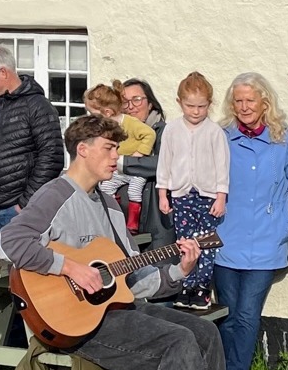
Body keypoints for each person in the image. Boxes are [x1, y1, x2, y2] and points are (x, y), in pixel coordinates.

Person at [0, 116, 259, 370]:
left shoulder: (110, 205)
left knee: (204, 333)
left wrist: (179, 271)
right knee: (176, 342)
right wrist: (69, 267)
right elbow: (9, 243)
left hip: (117, 309)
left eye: (117, 148)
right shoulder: (56, 194)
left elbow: (133, 281)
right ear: (82, 149)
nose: (116, 157)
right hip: (73, 322)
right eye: (109, 147)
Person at [215, 71, 288, 370]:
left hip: (267, 241)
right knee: (227, 316)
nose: (245, 107)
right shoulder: (220, 137)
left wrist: (287, 228)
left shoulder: (286, 140)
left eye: (251, 100)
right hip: (224, 239)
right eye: (239, 100)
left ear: (265, 102)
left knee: (248, 315)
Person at [0, 44, 62, 236]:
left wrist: (25, 204)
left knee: (25, 266)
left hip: (20, 211)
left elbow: (52, 157)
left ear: (3, 72)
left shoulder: (38, 106)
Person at [156, 72, 229, 312]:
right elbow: (164, 164)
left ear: (209, 104)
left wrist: (221, 197)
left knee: (206, 242)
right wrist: (163, 194)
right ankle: (186, 284)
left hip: (207, 196)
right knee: (185, 242)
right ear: (179, 103)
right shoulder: (172, 130)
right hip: (181, 195)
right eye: (190, 106)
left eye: (201, 106)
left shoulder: (214, 131)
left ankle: (202, 288)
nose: (196, 111)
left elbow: (222, 166)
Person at [82, 83, 157, 231]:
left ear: (108, 112)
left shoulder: (131, 123)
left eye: (137, 99)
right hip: (120, 170)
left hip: (136, 169)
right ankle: (112, 216)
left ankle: (132, 223)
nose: (131, 106)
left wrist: (139, 153)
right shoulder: (107, 127)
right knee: (107, 187)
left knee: (134, 191)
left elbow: (149, 135)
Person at [119, 78, 169, 240]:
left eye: (137, 99)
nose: (131, 106)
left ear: (150, 104)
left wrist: (122, 163)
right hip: (122, 228)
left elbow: (164, 164)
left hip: (157, 222)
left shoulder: (165, 132)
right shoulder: (115, 133)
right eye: (125, 101)